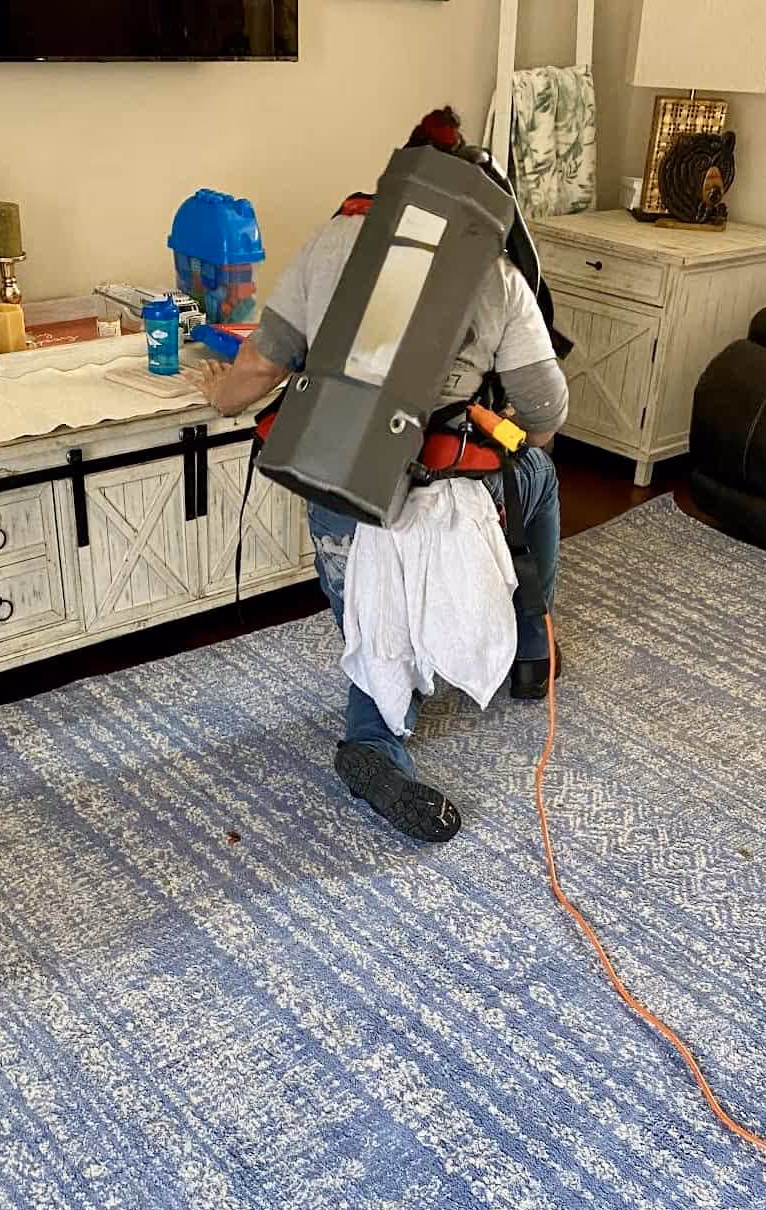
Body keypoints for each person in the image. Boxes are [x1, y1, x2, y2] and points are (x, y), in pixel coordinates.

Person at [198, 108, 569, 844]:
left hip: (343, 487)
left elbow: (260, 370)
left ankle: (375, 736)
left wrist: (214, 390)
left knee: (371, 623)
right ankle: (532, 645)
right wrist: (509, 443)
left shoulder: (332, 240)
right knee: (541, 479)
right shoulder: (493, 271)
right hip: (454, 497)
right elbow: (547, 408)